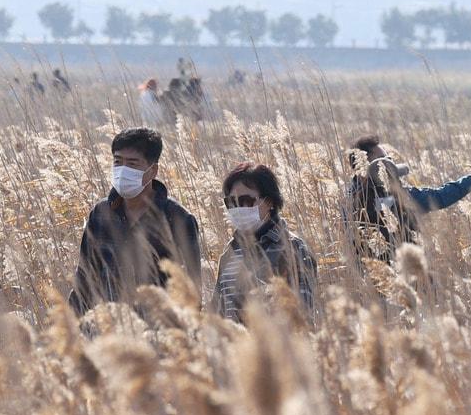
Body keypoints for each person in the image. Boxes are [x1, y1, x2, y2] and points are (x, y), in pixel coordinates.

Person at [69, 127, 203, 316]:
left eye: (132, 164)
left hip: (160, 331)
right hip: (109, 329)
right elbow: (84, 277)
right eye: (118, 162)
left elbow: (192, 289)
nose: (123, 170)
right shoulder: (100, 214)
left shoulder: (178, 219)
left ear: (152, 170)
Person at [345, 133, 471, 264]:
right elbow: (440, 196)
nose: (390, 164)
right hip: (405, 273)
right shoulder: (401, 197)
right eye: (385, 160)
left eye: (390, 160)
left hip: (369, 278)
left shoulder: (349, 199)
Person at [213, 163, 318, 323]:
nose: (238, 208)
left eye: (246, 200)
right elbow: (218, 312)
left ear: (269, 202)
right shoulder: (230, 252)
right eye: (231, 203)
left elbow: (302, 316)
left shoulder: (293, 248)